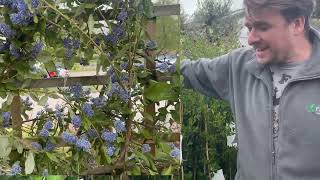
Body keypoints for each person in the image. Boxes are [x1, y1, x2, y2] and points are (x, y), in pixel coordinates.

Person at [180, 0, 320, 179]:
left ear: (297, 23)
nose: (251, 39)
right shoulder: (239, 67)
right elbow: (188, 72)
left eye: (262, 27)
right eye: (249, 27)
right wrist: (150, 65)